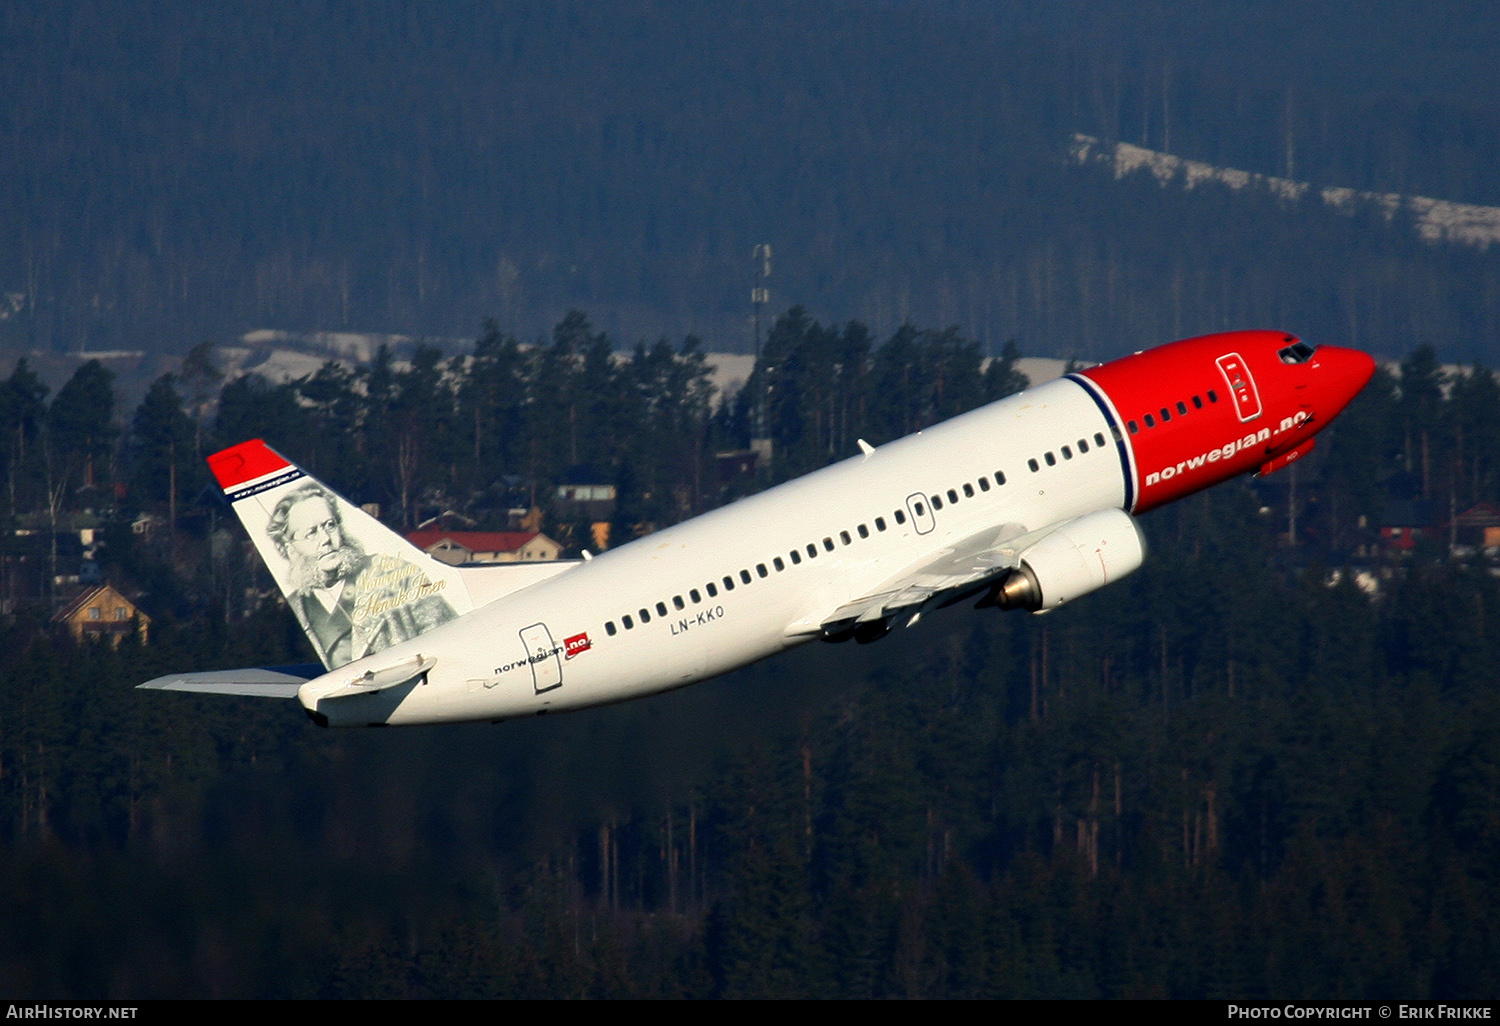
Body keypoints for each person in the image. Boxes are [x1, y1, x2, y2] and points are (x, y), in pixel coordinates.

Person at [266, 482, 456, 668]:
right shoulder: (299, 607)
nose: (326, 539)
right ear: (288, 548)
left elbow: (447, 638)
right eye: (311, 533)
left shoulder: (397, 573)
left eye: (330, 525)